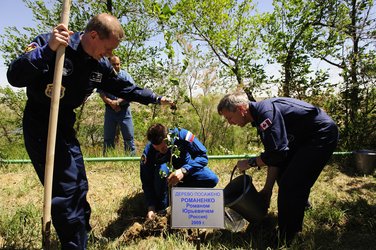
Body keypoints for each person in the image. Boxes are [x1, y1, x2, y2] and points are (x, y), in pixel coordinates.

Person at [7, 13, 173, 249]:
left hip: (64, 124)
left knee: (80, 183)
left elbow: (125, 87)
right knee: (66, 189)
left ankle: (83, 234)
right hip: (41, 123)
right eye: (107, 48)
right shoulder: (53, 43)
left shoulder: (100, 65)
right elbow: (14, 76)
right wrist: (49, 50)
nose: (109, 55)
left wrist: (155, 98)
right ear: (93, 35)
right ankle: (75, 245)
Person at [217, 92, 338, 244]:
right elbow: (276, 158)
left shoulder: (265, 113)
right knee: (284, 174)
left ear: (241, 109)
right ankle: (301, 207)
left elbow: (277, 154)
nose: (230, 122)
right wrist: (267, 190)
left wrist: (250, 162)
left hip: (320, 134)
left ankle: (287, 236)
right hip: (302, 139)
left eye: (229, 117)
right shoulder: (259, 117)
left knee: (291, 183)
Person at [140, 123, 219, 220]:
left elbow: (202, 157)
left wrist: (184, 170)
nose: (161, 151)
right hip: (163, 180)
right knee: (162, 170)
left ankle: (180, 194)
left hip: (186, 170)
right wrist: (151, 206)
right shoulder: (148, 152)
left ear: (168, 137)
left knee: (211, 179)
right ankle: (163, 208)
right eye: (158, 149)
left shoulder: (182, 135)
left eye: (164, 147)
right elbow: (146, 181)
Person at [98, 55, 136, 155]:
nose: (116, 66)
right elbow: (101, 92)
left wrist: (118, 102)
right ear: (109, 65)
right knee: (108, 138)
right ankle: (107, 159)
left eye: (118, 64)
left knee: (128, 137)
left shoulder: (126, 77)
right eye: (113, 64)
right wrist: (110, 102)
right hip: (110, 110)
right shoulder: (104, 77)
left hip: (124, 110)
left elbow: (131, 93)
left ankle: (130, 159)